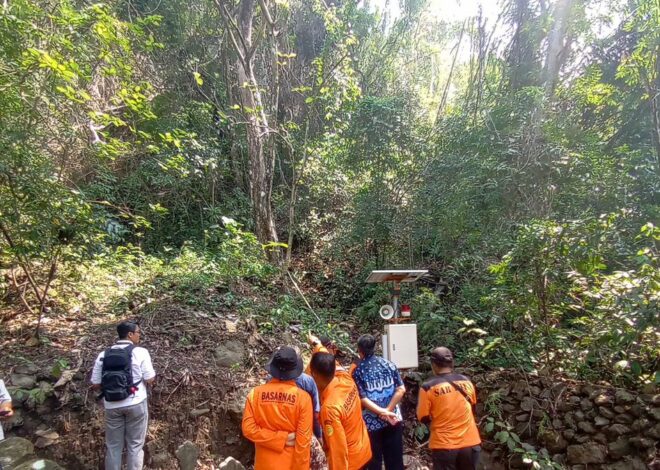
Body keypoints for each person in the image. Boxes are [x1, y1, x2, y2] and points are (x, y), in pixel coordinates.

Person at [91, 321, 156, 470]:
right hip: (136, 403)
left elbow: (95, 383)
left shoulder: (104, 354)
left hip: (111, 406)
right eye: (138, 332)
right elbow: (150, 378)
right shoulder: (140, 352)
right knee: (135, 446)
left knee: (113, 446)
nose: (139, 335)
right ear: (130, 334)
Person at [243, 346, 313, 469]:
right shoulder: (303, 399)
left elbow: (248, 429)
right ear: (295, 371)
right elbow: (303, 444)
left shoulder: (255, 394)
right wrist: (282, 438)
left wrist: (275, 439)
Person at [416, 347, 481, 470]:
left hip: (444, 445)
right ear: (452, 363)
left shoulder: (428, 387)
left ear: (433, 364)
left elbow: (422, 417)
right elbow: (472, 406)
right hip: (470, 443)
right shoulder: (466, 381)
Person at [309, 352, 371, 470]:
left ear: (314, 374)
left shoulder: (330, 409)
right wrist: (316, 345)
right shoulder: (346, 379)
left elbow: (338, 449)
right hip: (364, 449)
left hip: (351, 462)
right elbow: (331, 360)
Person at [352, 334, 405, 470]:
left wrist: (382, 412)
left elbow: (363, 399)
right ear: (375, 347)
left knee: (374, 460)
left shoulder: (358, 371)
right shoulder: (389, 364)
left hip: (372, 423)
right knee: (395, 460)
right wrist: (388, 410)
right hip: (393, 419)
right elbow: (401, 389)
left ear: (360, 350)